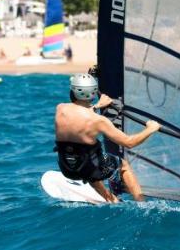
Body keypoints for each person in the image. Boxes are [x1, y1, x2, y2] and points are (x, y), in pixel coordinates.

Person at [54, 73, 159, 203]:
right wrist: (150, 129)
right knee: (122, 164)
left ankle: (111, 199)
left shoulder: (60, 109)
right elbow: (129, 142)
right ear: (93, 92)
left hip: (67, 169)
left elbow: (79, 114)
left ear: (73, 91)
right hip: (88, 169)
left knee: (91, 163)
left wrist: (98, 105)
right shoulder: (99, 121)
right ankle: (141, 202)